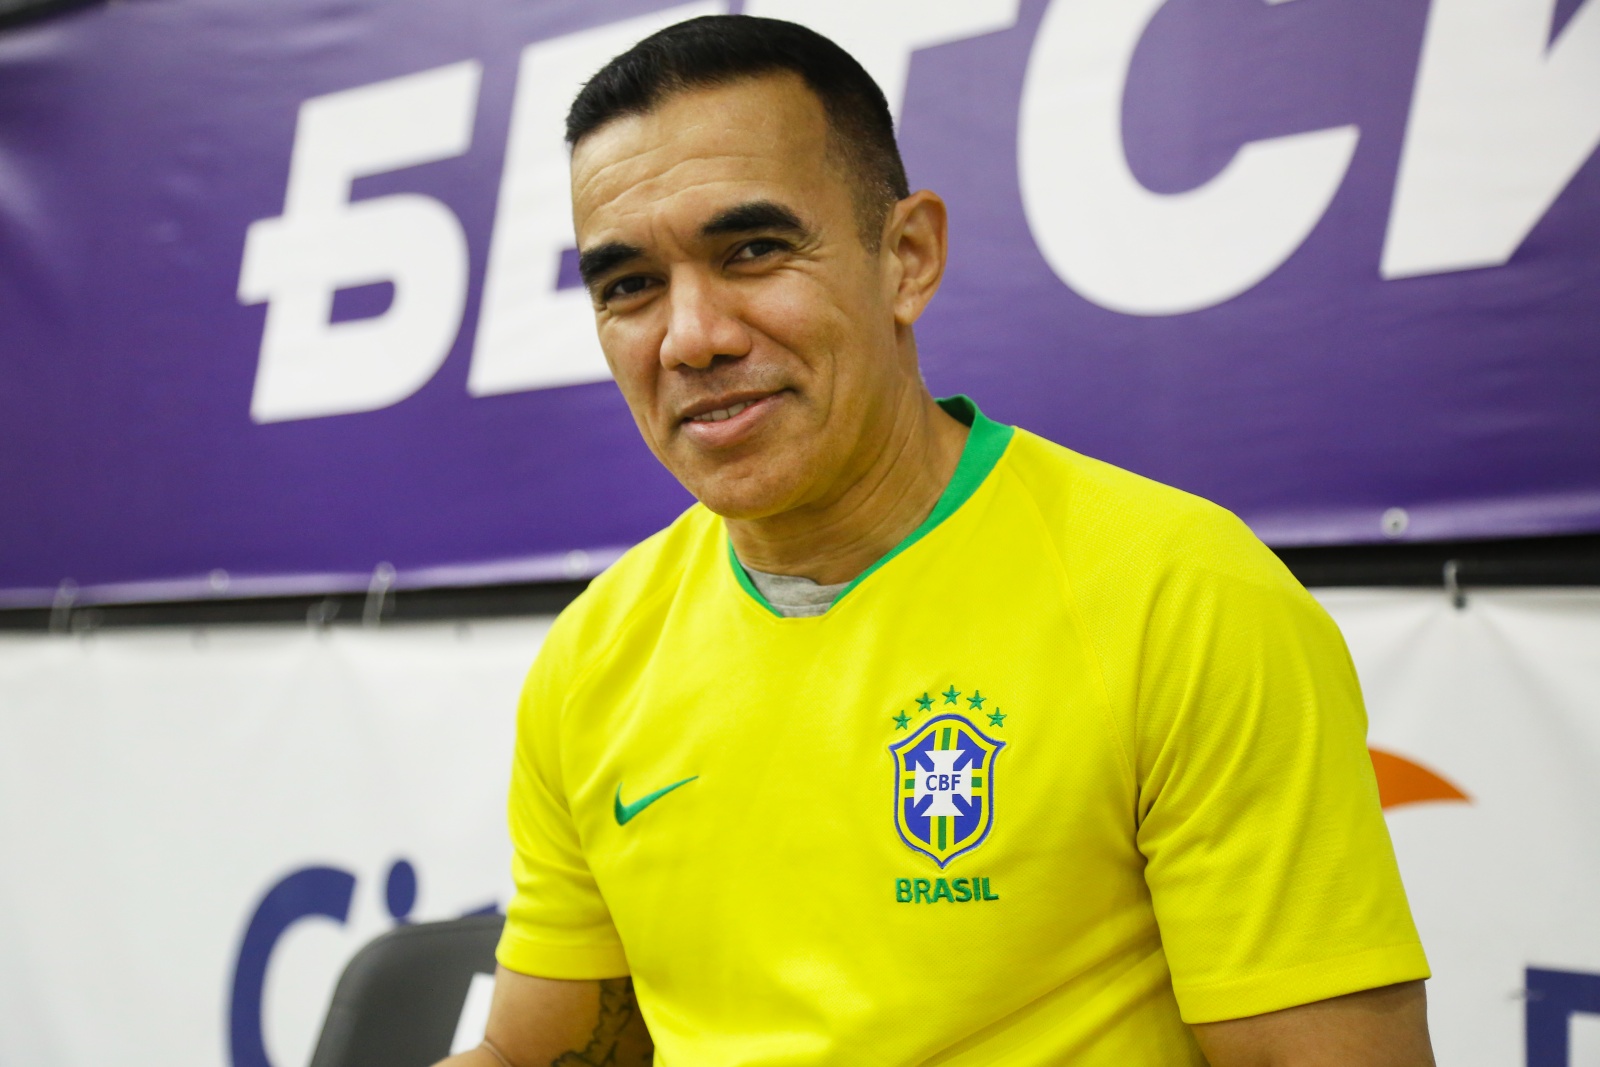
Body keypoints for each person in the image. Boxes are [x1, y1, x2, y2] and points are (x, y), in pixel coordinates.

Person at [437, 15, 1434, 1067]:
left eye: (754, 251)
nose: (691, 337)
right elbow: (533, 1054)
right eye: (629, 285)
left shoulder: (1182, 597)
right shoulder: (592, 657)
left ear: (906, 258)